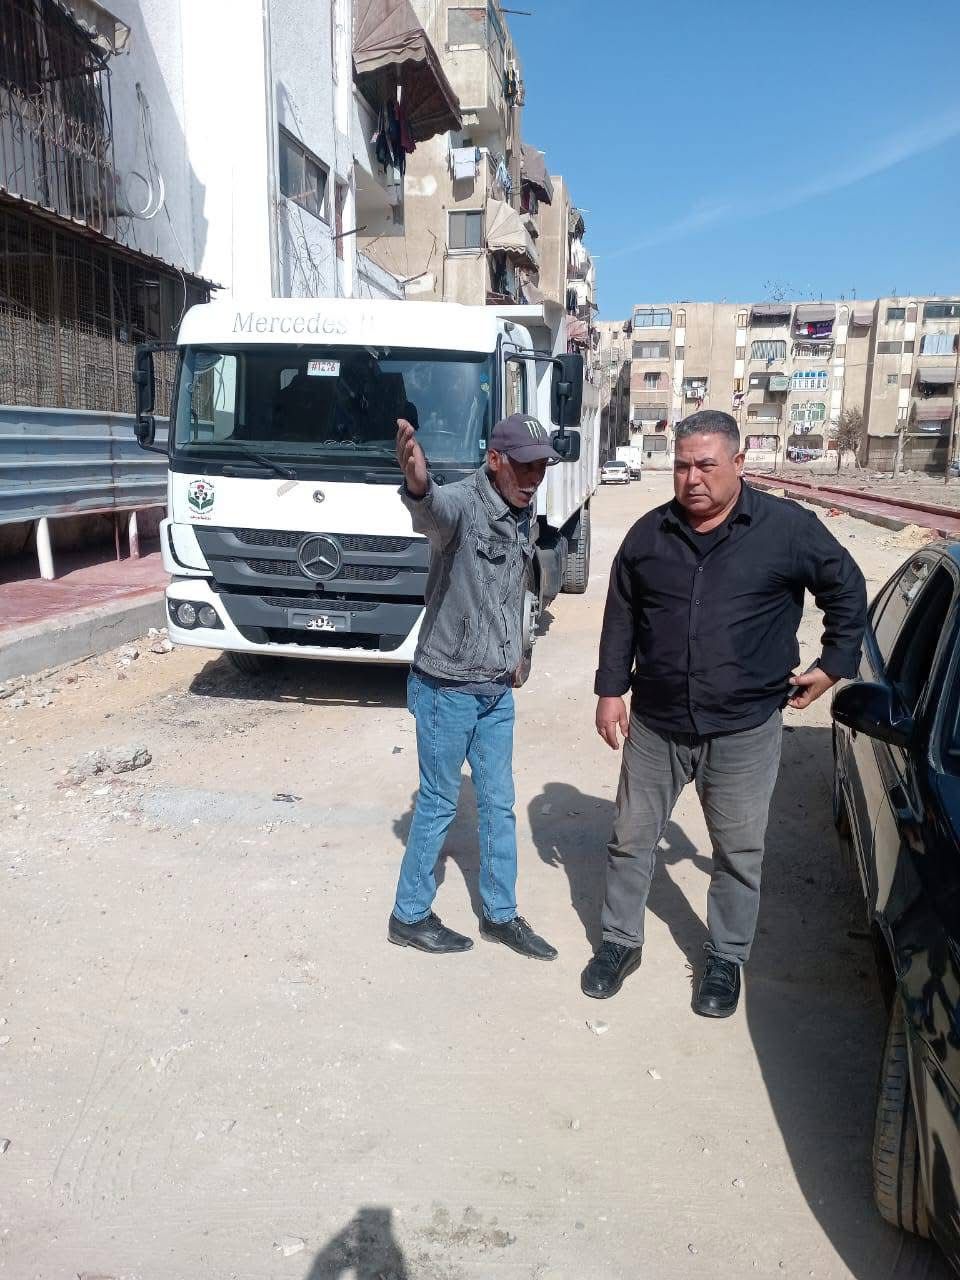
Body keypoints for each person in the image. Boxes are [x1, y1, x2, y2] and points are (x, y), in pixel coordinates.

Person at [582, 410, 867, 1016]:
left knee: (737, 852)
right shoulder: (648, 536)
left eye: (706, 465)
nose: (692, 478)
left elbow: (845, 586)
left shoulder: (786, 530)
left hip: (744, 727)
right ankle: (619, 942)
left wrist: (833, 664)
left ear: (739, 463)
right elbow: (621, 615)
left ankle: (725, 957)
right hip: (657, 724)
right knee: (631, 839)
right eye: (682, 466)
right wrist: (610, 690)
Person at [388, 412, 560, 960]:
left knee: (499, 804)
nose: (534, 478)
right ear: (495, 460)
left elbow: (512, 593)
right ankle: (409, 915)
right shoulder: (462, 503)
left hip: (495, 689)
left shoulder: (524, 512)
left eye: (542, 467)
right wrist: (419, 485)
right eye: (525, 466)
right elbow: (432, 512)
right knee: (439, 802)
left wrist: (518, 652)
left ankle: (501, 915)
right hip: (447, 689)